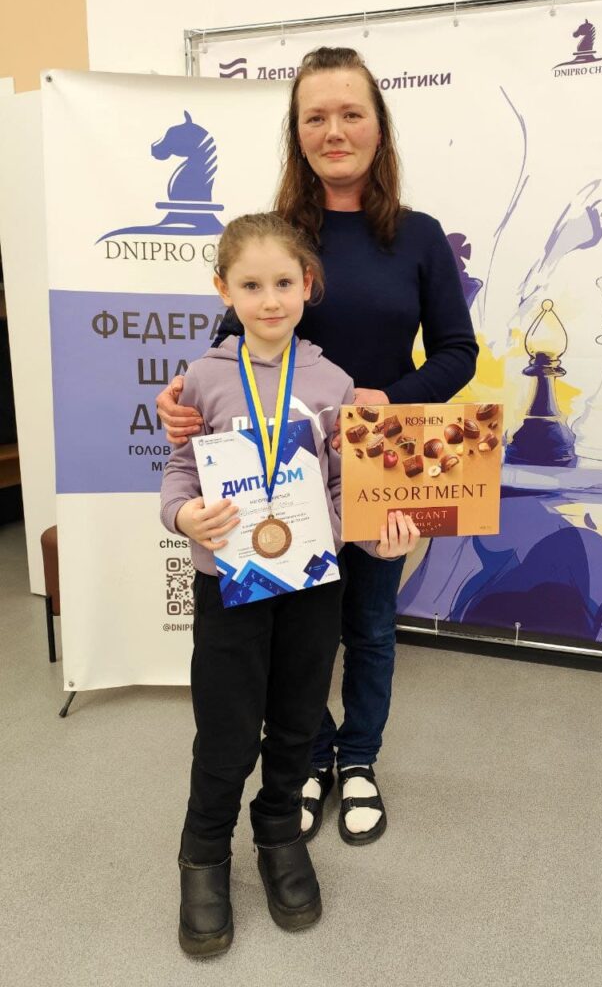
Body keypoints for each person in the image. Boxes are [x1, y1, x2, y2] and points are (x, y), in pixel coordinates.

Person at [157, 46, 478, 848]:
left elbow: (457, 352)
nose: (334, 130)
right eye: (316, 117)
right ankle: (308, 758)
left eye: (351, 113)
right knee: (295, 635)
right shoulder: (279, 236)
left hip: (376, 459)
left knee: (368, 625)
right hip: (279, 475)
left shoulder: (419, 237)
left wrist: (386, 398)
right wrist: (179, 396)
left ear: (378, 125)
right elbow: (230, 345)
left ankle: (359, 759)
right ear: (297, 133)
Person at [160, 212, 419, 956]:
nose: (269, 299)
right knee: (227, 729)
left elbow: (346, 487)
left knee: (299, 719)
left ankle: (278, 833)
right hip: (229, 584)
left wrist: (376, 532)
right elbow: (179, 471)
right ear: (224, 290)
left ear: (307, 284)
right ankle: (204, 851)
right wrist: (185, 516)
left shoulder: (333, 382)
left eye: (283, 282)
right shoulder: (203, 378)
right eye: (251, 285)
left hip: (311, 583)